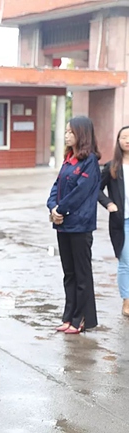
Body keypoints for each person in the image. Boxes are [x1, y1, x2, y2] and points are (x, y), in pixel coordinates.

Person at [48, 116, 101, 334]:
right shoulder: (68, 159)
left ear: (82, 134)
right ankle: (68, 317)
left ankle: (81, 318)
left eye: (71, 132)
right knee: (69, 273)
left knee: (81, 274)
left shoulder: (90, 161)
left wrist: (61, 210)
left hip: (80, 225)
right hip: (63, 225)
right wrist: (52, 207)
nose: (67, 135)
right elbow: (56, 186)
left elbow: (81, 191)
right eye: (66, 131)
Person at [99, 125, 129, 316]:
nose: (128, 140)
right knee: (126, 261)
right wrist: (109, 204)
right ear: (118, 141)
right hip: (122, 221)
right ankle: (127, 301)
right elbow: (96, 189)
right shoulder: (112, 167)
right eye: (124, 137)